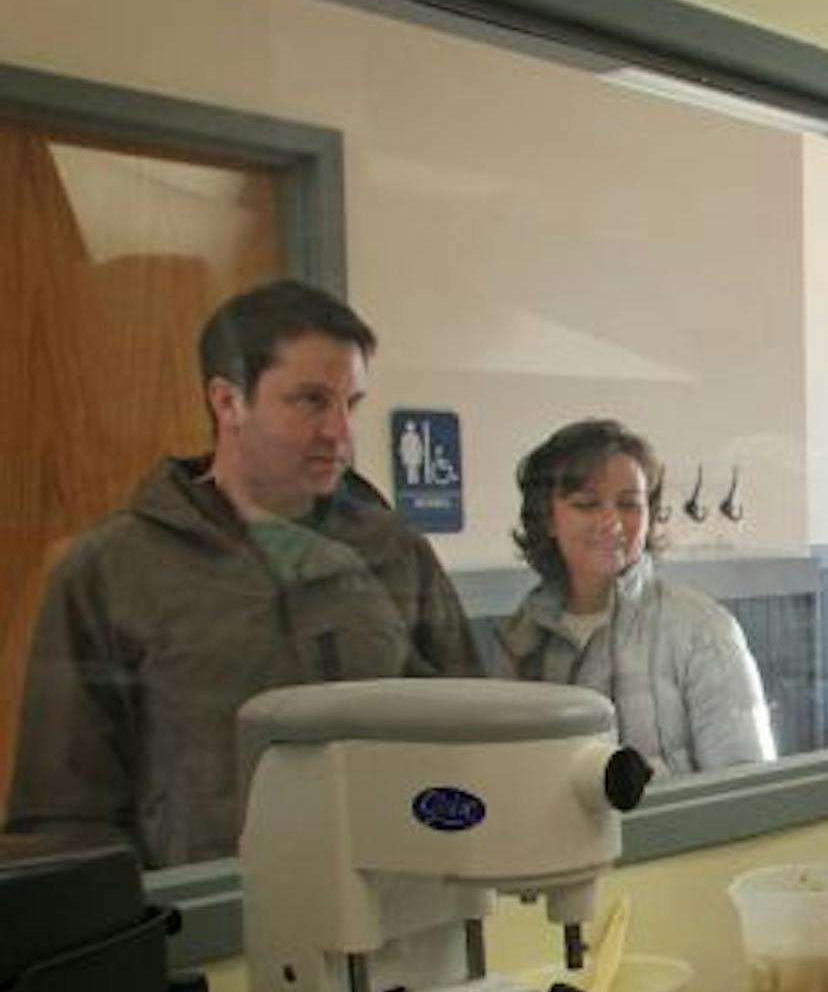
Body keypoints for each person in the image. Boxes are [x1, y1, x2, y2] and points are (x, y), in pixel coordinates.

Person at [5, 280, 482, 869]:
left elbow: (473, 734)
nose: (340, 433)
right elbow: (64, 817)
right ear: (228, 401)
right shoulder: (111, 569)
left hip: (401, 911)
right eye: (310, 401)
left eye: (349, 404)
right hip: (218, 925)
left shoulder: (394, 551)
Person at [494, 418, 775, 776]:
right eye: (587, 504)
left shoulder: (702, 630)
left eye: (629, 504)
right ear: (548, 519)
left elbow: (747, 787)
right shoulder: (523, 635)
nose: (611, 522)